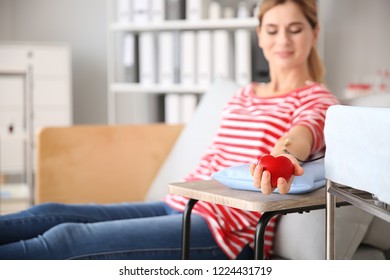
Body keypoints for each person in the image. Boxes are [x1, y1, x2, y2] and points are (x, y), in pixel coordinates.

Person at [0, 0, 338, 260]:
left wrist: (284, 154)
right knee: (46, 214)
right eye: (273, 29)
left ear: (314, 33)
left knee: (64, 239)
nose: (283, 40)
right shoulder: (243, 94)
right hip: (179, 203)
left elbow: (304, 132)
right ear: (260, 35)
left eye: (295, 29)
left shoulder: (318, 97)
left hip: (224, 231)